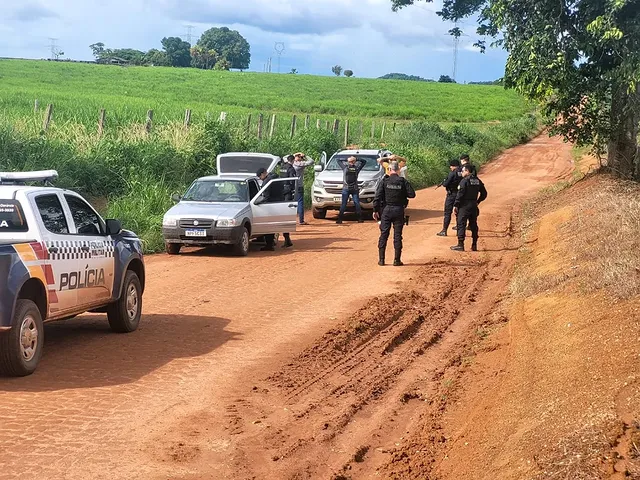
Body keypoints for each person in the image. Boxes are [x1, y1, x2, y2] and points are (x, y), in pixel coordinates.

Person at [373, 161, 416, 266]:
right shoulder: (402, 181)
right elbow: (412, 194)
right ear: (398, 170)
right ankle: (397, 260)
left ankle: (381, 260)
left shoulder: (385, 181)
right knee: (397, 236)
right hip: (398, 210)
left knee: (384, 235)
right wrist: (402, 193)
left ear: (389, 169)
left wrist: (375, 210)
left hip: (386, 210)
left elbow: (377, 197)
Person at [451, 164, 487, 252]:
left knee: (461, 224)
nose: (461, 173)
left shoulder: (464, 181)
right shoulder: (477, 181)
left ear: (467, 171)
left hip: (464, 206)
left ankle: (460, 244)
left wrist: (456, 205)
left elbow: (460, 194)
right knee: (473, 224)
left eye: (463, 171)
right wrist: (477, 201)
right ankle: (474, 244)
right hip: (473, 205)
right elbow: (484, 193)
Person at [256, 167, 285, 251]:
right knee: (273, 225)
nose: (260, 179)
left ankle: (269, 245)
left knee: (267, 226)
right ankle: (278, 240)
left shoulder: (267, 181)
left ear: (262, 174)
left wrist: (259, 202)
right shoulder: (276, 177)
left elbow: (266, 196)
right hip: (279, 203)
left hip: (270, 205)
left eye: (259, 177)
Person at [336, 155, 367, 224]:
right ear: (354, 162)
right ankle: (360, 219)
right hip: (354, 189)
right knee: (357, 203)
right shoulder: (357, 169)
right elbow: (364, 161)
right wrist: (356, 159)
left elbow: (338, 160)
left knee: (344, 204)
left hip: (346, 188)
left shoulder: (345, 168)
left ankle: (340, 219)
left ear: (349, 161)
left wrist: (346, 159)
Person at [437, 159, 461, 236]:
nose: (450, 167)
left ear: (454, 166)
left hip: (451, 195)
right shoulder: (462, 172)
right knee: (458, 213)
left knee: (447, 213)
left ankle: (444, 230)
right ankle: (459, 230)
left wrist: (444, 182)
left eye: (451, 166)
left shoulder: (452, 173)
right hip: (460, 195)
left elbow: (445, 184)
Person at [292, 152, 315, 225]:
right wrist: (305, 156)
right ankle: (301, 220)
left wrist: (294, 155)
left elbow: (284, 158)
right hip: (299, 185)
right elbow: (311, 161)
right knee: (300, 202)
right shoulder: (301, 164)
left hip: (291, 186)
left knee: (290, 202)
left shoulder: (291, 163)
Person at [279, 156, 296, 248]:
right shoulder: (291, 169)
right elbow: (293, 181)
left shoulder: (282, 167)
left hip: (281, 192)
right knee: (287, 216)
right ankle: (287, 239)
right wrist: (293, 190)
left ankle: (287, 239)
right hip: (288, 193)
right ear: (292, 160)